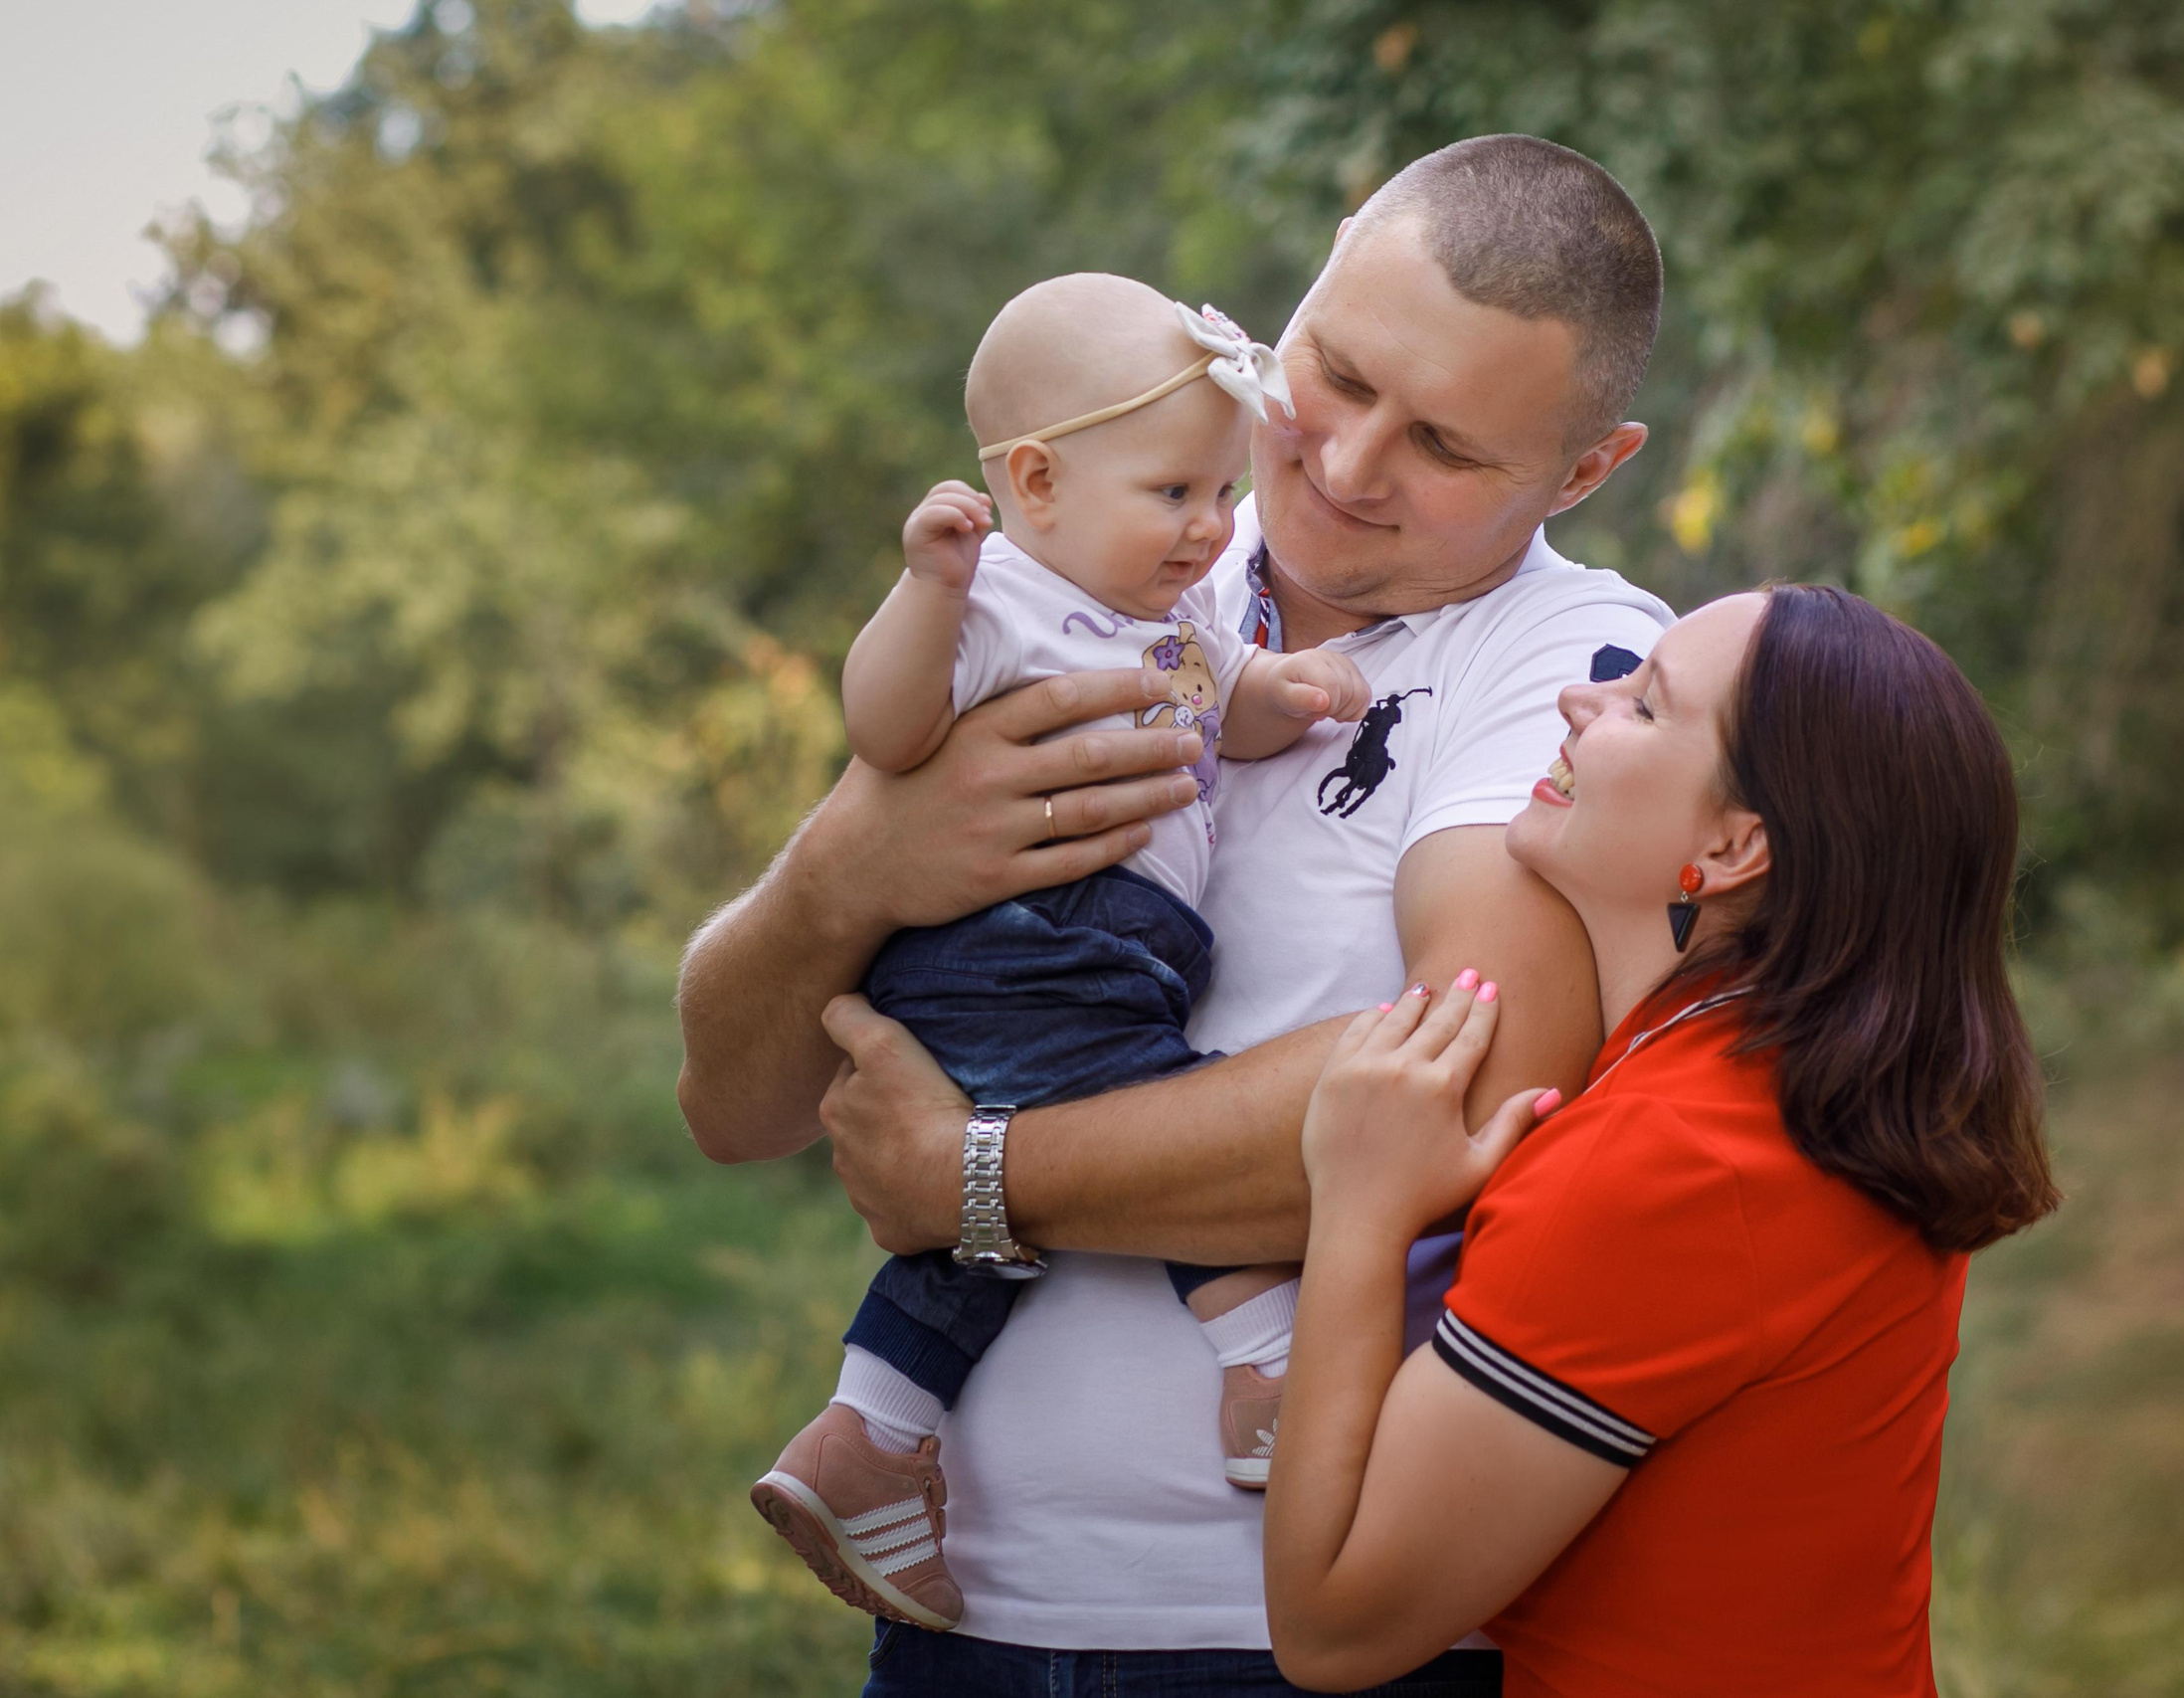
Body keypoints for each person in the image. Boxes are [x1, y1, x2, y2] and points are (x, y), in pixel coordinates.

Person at [677, 135, 1669, 1695]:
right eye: (1335, 375)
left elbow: (1470, 1081)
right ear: (1322, 267)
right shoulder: (1083, 574)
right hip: (968, 1620)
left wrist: (975, 1174)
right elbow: (737, 1102)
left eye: (1447, 447)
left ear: (1588, 465)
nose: (1345, 467)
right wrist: (850, 869)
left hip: (1303, 1638)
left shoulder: (1586, 667)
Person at [1259, 587, 2064, 1697]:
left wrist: (1356, 1204)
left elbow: (1333, 1624)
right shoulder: (1782, 1097)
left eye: (1642, 705)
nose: (1577, 700)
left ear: (1735, 846)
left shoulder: (1676, 1162)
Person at [750, 276, 1373, 1632]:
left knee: (997, 1218)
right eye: (1174, 496)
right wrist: (927, 587)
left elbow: (1224, 713)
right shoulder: (1002, 603)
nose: (1213, 526)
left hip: (1115, 945)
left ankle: (872, 1425)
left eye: (1222, 492)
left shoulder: (1182, 609)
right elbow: (887, 722)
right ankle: (1265, 1358)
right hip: (1016, 946)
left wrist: (1287, 693)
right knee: (1154, 1106)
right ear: (1034, 481)